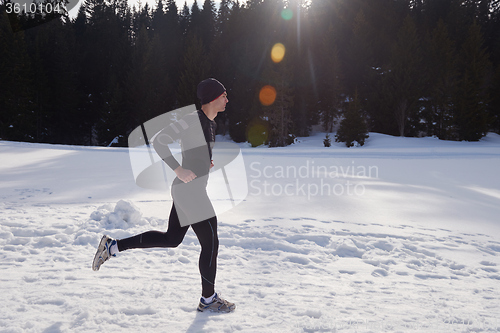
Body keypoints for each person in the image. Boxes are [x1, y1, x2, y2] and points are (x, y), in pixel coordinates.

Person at [92, 78, 235, 313]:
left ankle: (112, 247)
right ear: (211, 98)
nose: (227, 100)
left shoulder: (212, 124)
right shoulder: (191, 120)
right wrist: (178, 168)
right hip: (189, 192)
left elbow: (197, 153)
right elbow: (159, 140)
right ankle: (208, 300)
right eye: (224, 96)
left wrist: (204, 163)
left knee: (172, 239)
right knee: (211, 244)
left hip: (191, 190)